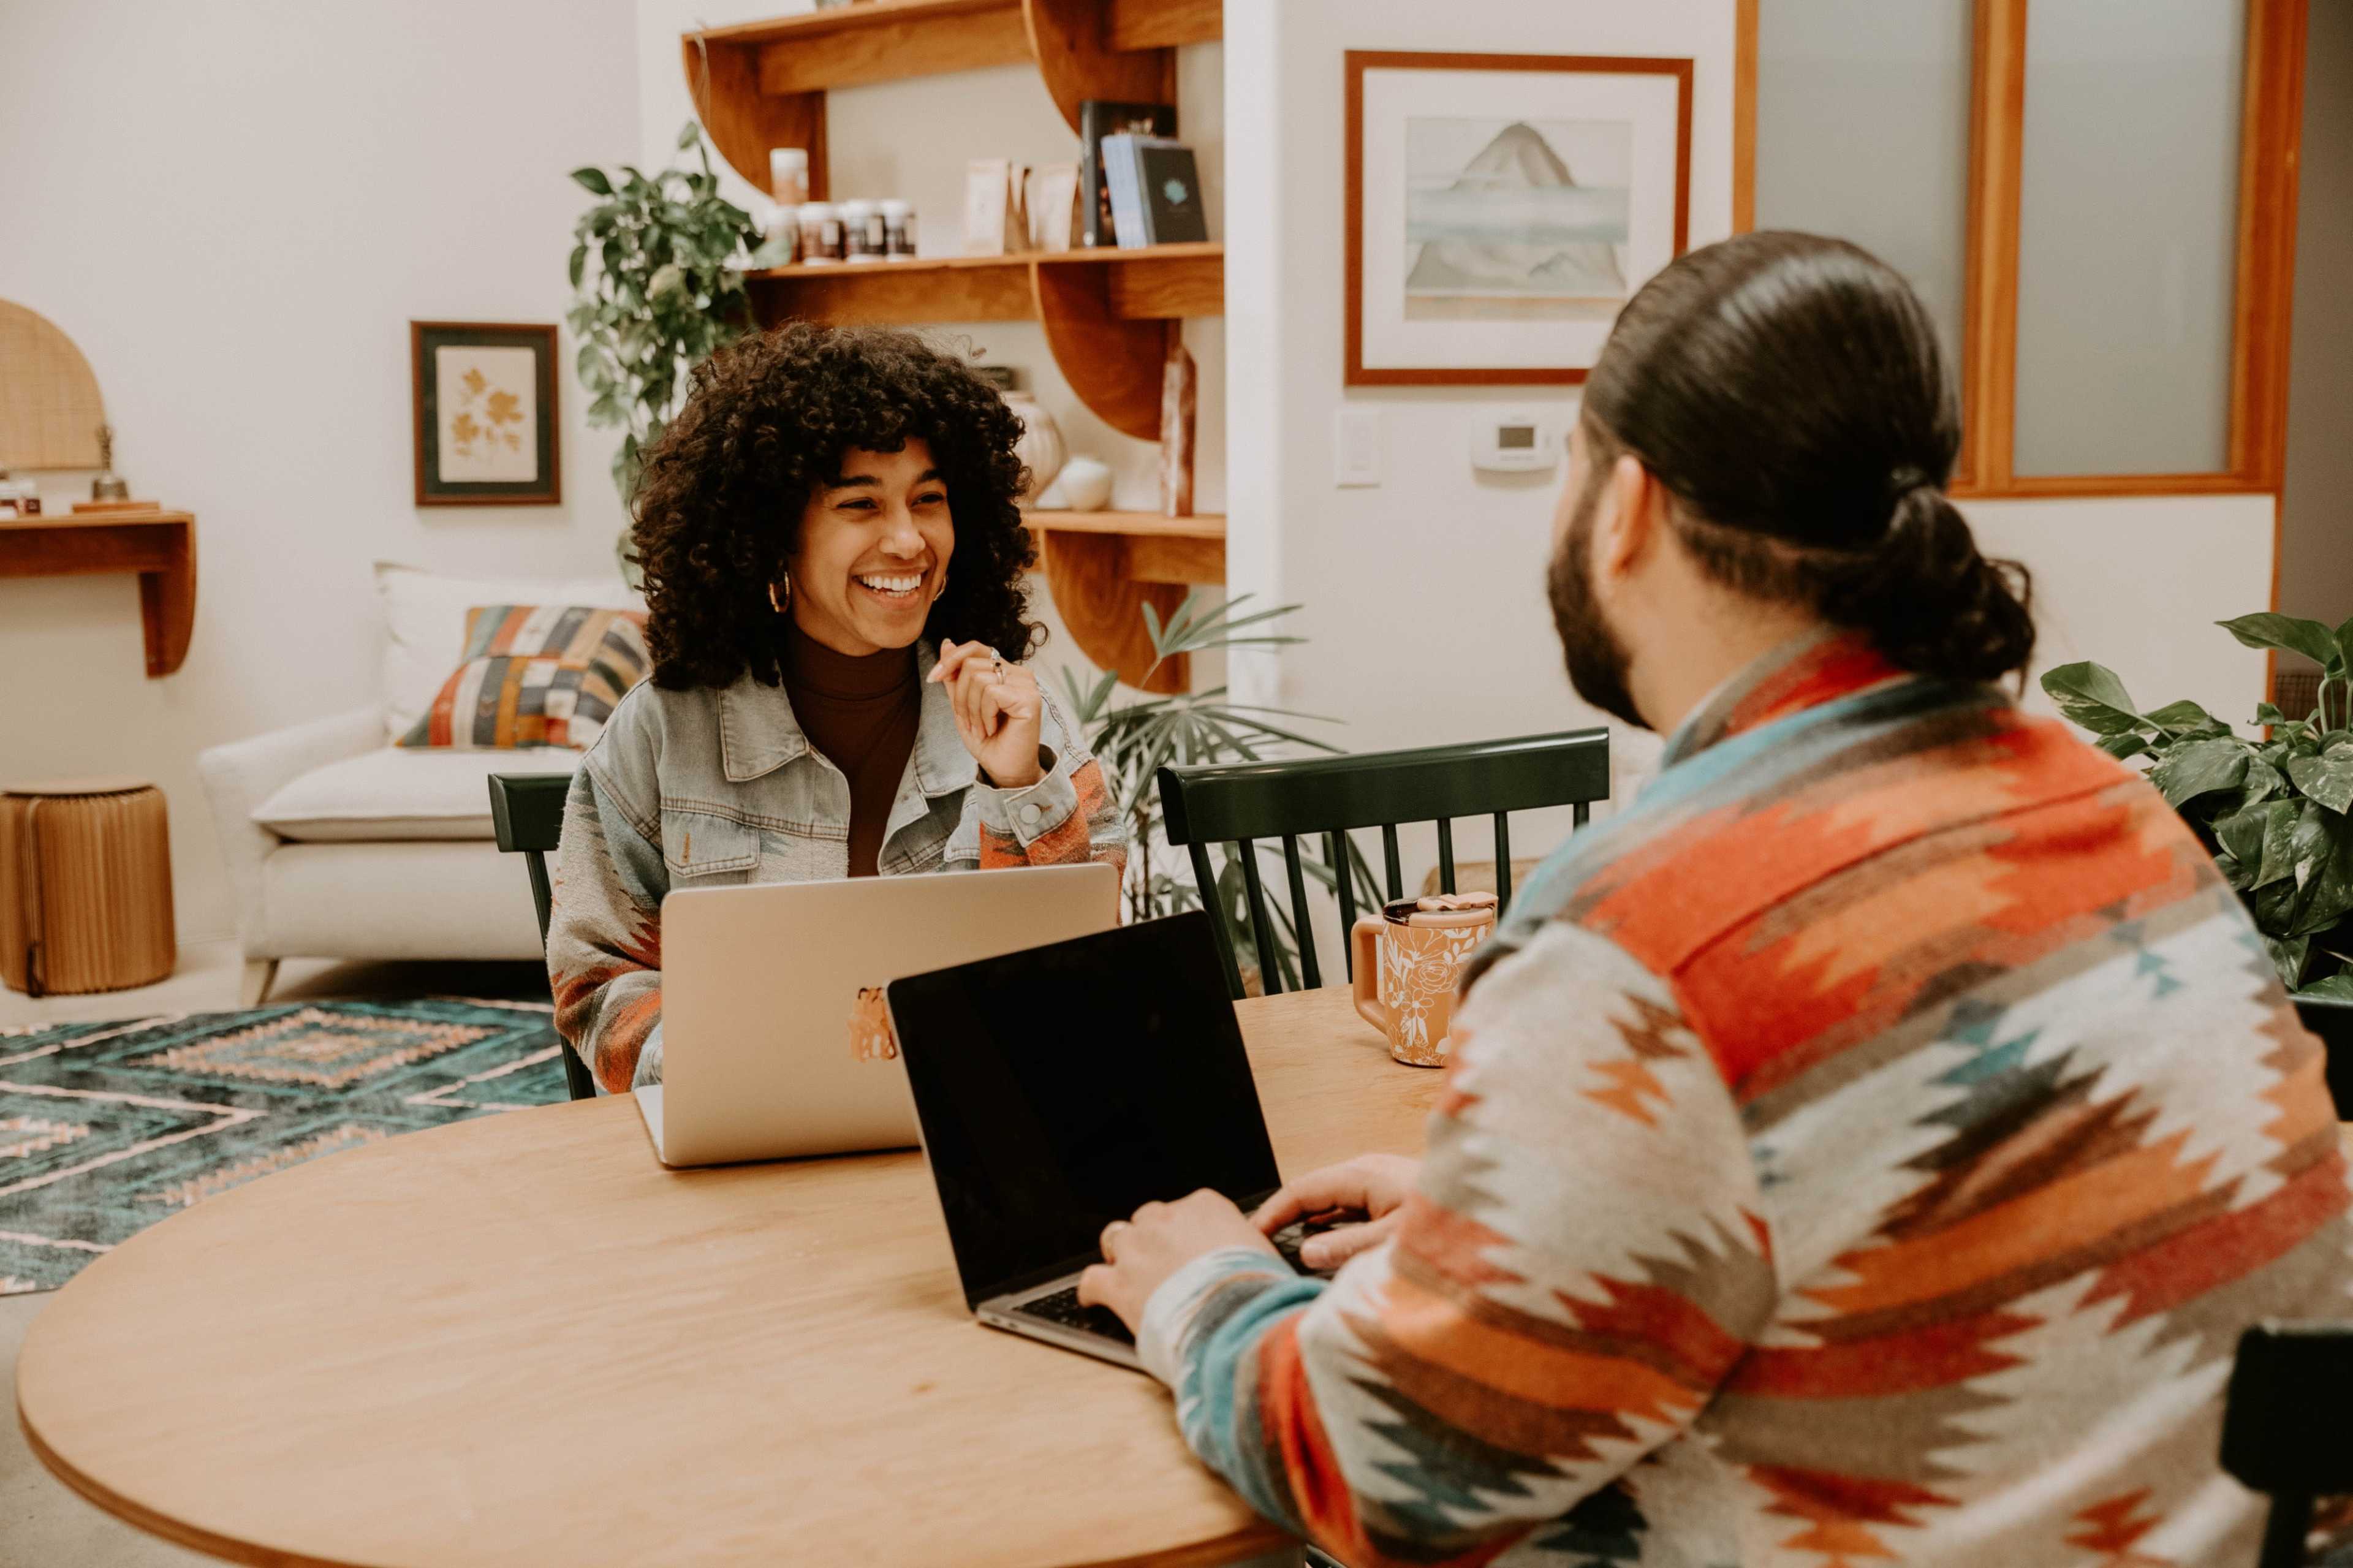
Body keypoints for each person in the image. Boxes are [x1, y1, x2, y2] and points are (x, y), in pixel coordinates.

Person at [1079, 233, 2353, 1565]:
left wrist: (1203, 1290)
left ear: (1623, 500)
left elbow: (1394, 1467)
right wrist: (1531, 1209)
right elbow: (1952, 1199)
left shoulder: (1645, 929)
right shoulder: (2103, 806)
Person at [547, 324, 1125, 1093]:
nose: (909, 540)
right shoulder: (662, 733)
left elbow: (1092, 972)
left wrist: (1019, 785)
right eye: (861, 504)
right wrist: (721, 1078)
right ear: (775, 533)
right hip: (745, 1143)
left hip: (969, 1123)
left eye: (930, 500)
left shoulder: (1024, 716)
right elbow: (599, 978)